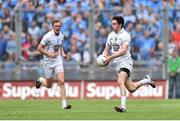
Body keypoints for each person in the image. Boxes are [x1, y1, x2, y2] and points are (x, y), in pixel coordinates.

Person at [101, 16, 156, 113]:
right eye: (112, 23)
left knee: (120, 82)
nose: (112, 25)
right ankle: (146, 80)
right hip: (117, 64)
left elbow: (123, 51)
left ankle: (123, 107)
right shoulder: (110, 35)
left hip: (126, 62)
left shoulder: (125, 35)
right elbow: (106, 50)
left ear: (120, 25)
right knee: (131, 88)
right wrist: (103, 58)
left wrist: (110, 57)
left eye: (114, 23)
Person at [36, 19, 71, 109]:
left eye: (59, 26)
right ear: (52, 27)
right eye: (56, 26)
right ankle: (40, 80)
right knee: (49, 85)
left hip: (58, 60)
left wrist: (63, 55)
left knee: (61, 81)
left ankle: (64, 104)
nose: (57, 28)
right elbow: (39, 48)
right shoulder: (47, 36)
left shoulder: (61, 36)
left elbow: (60, 46)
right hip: (48, 61)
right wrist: (48, 54)